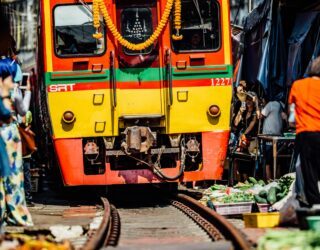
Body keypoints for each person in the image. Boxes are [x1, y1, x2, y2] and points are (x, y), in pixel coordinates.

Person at [0, 59, 33, 226]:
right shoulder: (12, 91)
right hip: (10, 135)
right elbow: (23, 111)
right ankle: (16, 214)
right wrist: (28, 92)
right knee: (13, 175)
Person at [289, 55, 320, 206]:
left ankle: (314, 205)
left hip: (305, 133)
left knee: (309, 172)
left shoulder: (297, 85)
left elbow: (291, 117)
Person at [261, 98, 287, 180]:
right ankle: (278, 180)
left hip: (268, 137)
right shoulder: (282, 105)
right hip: (278, 136)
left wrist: (258, 106)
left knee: (268, 161)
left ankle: (269, 180)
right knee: (278, 160)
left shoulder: (270, 104)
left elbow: (261, 115)